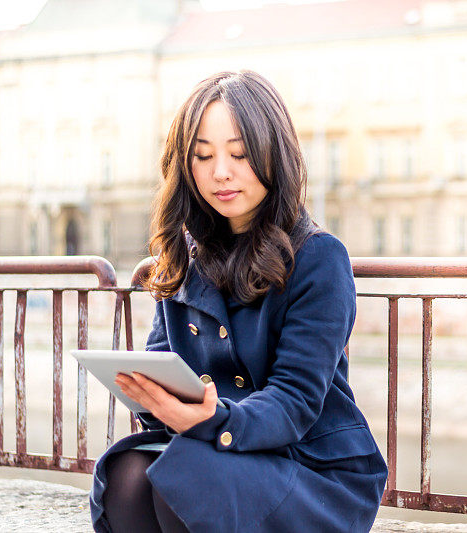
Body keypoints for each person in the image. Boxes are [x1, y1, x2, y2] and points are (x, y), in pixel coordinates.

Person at [88, 70, 388, 532]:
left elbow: (294, 401)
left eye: (240, 154)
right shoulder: (184, 254)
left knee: (190, 479)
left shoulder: (318, 257)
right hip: (215, 449)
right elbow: (162, 361)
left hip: (312, 468)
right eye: (203, 156)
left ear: (275, 153)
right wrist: (149, 393)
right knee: (128, 472)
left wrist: (213, 418)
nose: (220, 172)